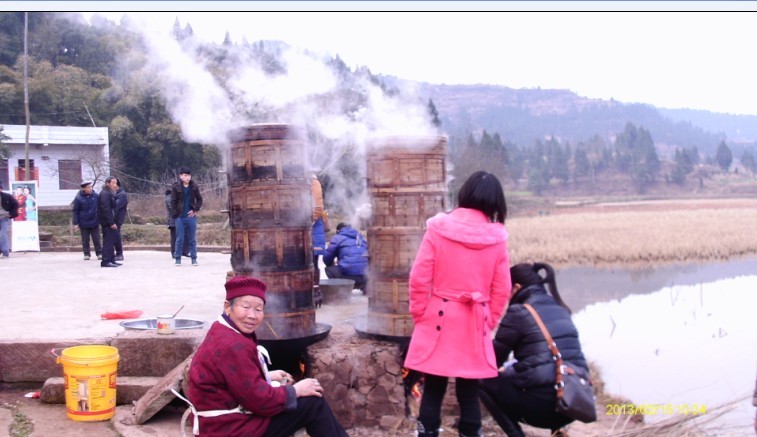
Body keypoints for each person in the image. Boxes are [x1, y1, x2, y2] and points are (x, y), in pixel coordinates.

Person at [404, 170, 511, 437]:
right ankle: (471, 433)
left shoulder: (439, 229)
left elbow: (419, 276)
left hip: (439, 315)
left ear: (465, 194)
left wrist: (420, 314)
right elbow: (502, 289)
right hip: (475, 320)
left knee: (435, 384)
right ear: (495, 202)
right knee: (469, 388)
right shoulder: (497, 239)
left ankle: (427, 433)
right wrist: (489, 320)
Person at [186, 275, 349, 437]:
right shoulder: (232, 344)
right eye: (246, 307)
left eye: (258, 309)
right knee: (313, 404)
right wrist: (295, 390)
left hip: (218, 423)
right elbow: (260, 402)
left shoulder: (221, 329)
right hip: (228, 427)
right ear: (228, 307)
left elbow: (234, 377)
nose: (252, 315)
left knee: (307, 402)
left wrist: (267, 376)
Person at [479, 262, 590, 437]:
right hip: (572, 404)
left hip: (543, 410)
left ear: (516, 287)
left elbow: (491, 363)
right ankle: (558, 431)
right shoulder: (561, 309)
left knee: (481, 379)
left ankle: (516, 434)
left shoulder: (519, 312)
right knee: (541, 368)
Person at [170, 166, 202, 266]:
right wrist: (176, 213)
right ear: (181, 176)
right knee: (180, 238)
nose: (187, 177)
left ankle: (194, 258)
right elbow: (172, 201)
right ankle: (178, 258)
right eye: (185, 175)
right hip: (180, 217)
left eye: (189, 175)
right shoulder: (176, 187)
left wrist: (195, 210)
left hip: (191, 217)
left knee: (192, 239)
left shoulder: (194, 187)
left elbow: (200, 200)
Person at [322, 222, 368, 292]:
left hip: (347, 277)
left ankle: (341, 289)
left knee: (329, 269)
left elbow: (326, 259)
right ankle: (364, 287)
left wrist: (335, 262)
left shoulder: (337, 238)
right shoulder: (361, 238)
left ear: (338, 231)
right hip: (365, 276)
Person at [71, 181, 102, 261]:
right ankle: (86, 254)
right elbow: (75, 211)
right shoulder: (78, 198)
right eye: (88, 187)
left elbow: (100, 207)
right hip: (83, 222)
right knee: (85, 239)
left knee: (96, 238)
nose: (90, 189)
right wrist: (76, 223)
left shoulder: (95, 196)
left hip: (94, 221)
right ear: (84, 188)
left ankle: (99, 253)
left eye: (91, 187)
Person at [311, 174, 327, 305]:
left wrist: (304, 222)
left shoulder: (313, 182)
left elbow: (317, 208)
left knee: (313, 261)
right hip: (309, 227)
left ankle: (315, 291)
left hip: (313, 228)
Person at [98, 177, 121, 268]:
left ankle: (111, 259)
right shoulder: (105, 194)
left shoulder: (110, 193)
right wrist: (111, 222)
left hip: (111, 221)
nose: (115, 185)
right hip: (107, 222)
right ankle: (106, 261)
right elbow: (106, 209)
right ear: (108, 183)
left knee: (112, 241)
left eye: (116, 183)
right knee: (108, 242)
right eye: (113, 183)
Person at [165, 188, 189, 259]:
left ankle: (184, 251)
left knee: (185, 235)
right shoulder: (169, 197)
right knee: (174, 237)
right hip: (173, 220)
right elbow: (173, 208)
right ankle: (174, 253)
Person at [0, 182, 20, 258]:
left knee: (3, 235)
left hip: (4, 217)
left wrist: (11, 214)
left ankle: (5, 253)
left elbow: (16, 204)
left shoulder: (7, 196)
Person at [113, 178, 128, 261]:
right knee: (114, 235)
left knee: (116, 235)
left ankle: (119, 253)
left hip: (118, 218)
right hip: (114, 218)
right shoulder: (115, 193)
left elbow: (116, 206)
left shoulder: (122, 194)